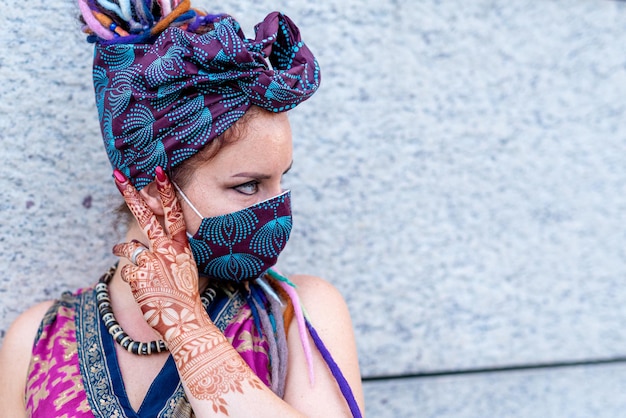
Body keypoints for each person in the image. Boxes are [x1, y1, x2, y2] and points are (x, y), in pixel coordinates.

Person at [0, 1, 364, 417]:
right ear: (156, 189)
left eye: (281, 180)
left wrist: (187, 328)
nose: (278, 209)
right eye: (248, 185)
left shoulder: (296, 315)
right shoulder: (38, 341)